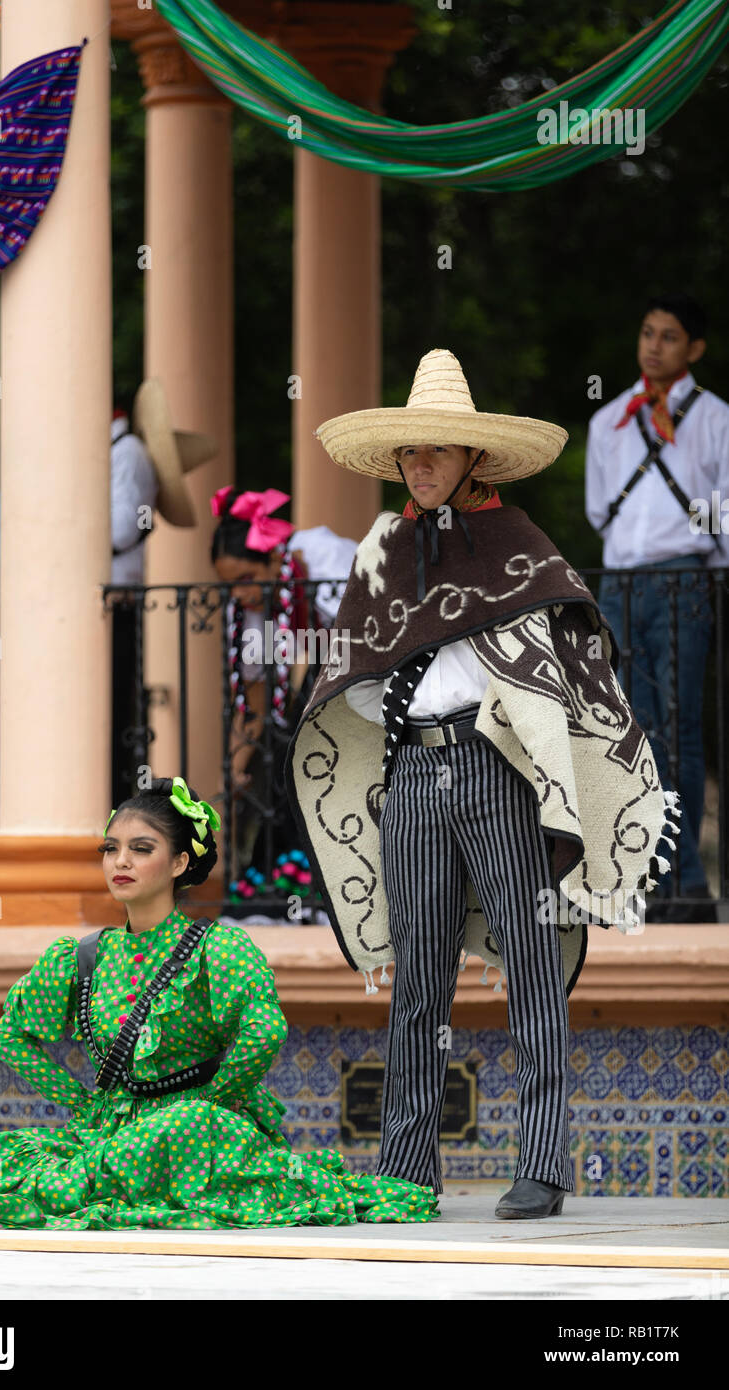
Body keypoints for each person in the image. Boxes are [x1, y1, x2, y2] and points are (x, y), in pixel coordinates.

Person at [286, 349, 680, 1219]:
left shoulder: (519, 548)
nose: (420, 465)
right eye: (410, 453)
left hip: (499, 769)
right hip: (411, 768)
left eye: (437, 451)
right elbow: (351, 671)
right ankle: (405, 1168)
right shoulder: (381, 549)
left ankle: (541, 1161)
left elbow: (570, 668)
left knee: (532, 958)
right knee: (418, 970)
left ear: (474, 459)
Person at [0, 778, 436, 1229]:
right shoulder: (82, 956)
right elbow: (11, 1035)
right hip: (112, 1130)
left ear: (180, 863)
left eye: (141, 849)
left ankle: (107, 1171)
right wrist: (85, 1105)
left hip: (202, 1128)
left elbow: (264, 1031)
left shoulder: (218, 946)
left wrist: (212, 1100)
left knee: (173, 1125)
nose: (121, 862)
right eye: (111, 849)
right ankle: (95, 1173)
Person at [585, 293, 728, 923]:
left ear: (693, 348)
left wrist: (691, 544)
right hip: (619, 583)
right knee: (628, 728)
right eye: (647, 333)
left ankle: (683, 877)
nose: (654, 345)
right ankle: (652, 872)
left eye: (669, 336)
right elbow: (598, 510)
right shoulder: (610, 418)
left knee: (676, 727)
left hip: (683, 580)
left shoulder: (715, 418)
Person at [210, 487, 357, 905]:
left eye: (244, 580)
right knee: (284, 768)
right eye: (228, 585)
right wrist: (234, 769)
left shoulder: (322, 555)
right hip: (302, 716)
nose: (237, 594)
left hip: (356, 693)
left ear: (274, 559)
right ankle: (287, 890)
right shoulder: (248, 612)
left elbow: (370, 632)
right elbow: (255, 700)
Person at [110, 380, 217, 806]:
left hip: (118, 603)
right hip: (113, 603)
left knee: (117, 712)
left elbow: (120, 530)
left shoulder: (127, 455)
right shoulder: (122, 454)